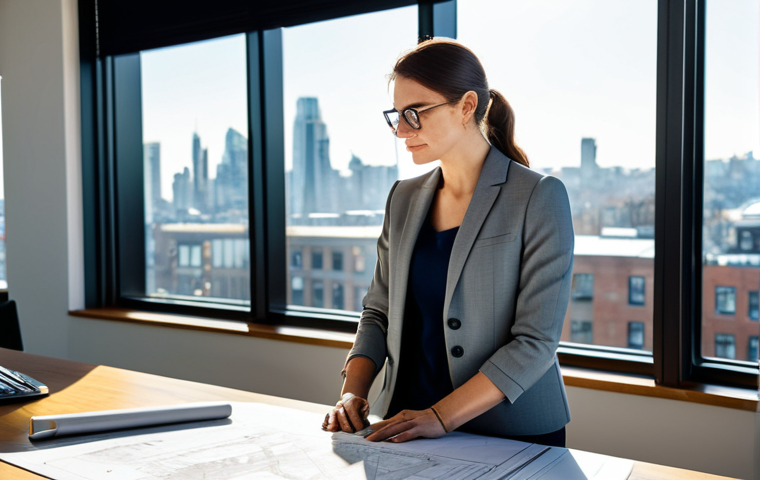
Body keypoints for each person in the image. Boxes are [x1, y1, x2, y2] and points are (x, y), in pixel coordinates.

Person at [322, 38, 574, 448]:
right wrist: (353, 392)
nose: (401, 130)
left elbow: (536, 341)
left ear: (467, 106)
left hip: (510, 432)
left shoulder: (538, 196)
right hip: (406, 423)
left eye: (415, 113)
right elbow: (378, 311)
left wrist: (441, 416)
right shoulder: (402, 197)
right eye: (396, 115)